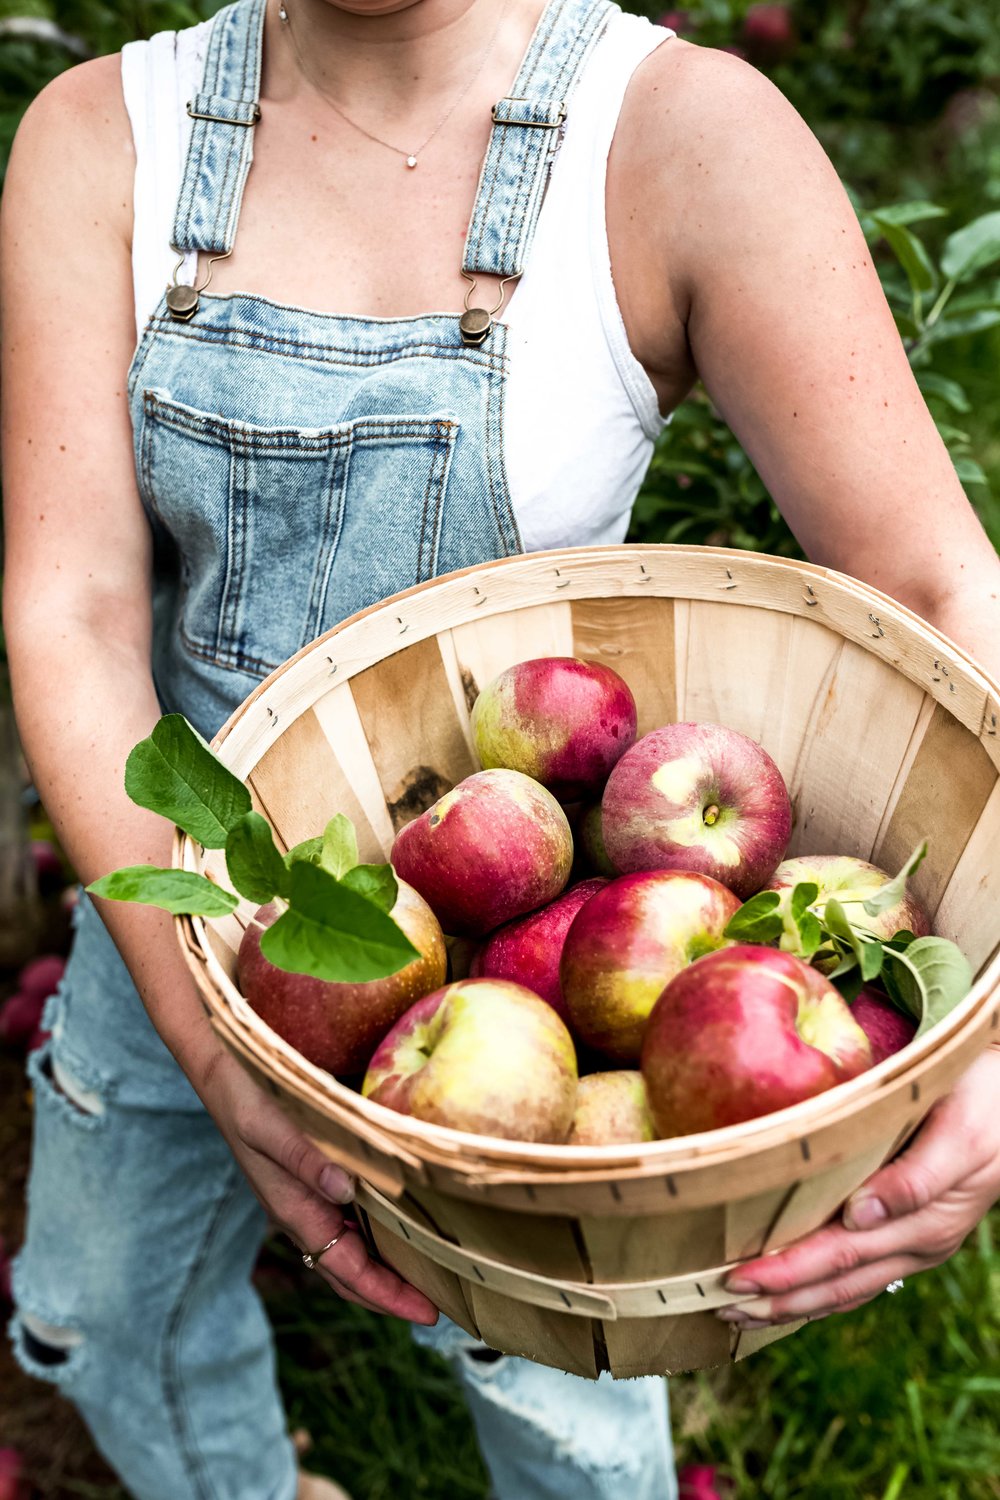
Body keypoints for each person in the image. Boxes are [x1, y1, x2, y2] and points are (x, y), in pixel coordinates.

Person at [2, 0, 999, 1495]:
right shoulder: (99, 143)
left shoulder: (679, 140)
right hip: (194, 888)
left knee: (563, 1381)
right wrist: (215, 1041)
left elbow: (936, 591)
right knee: (101, 1312)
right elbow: (73, 614)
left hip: (531, 939)